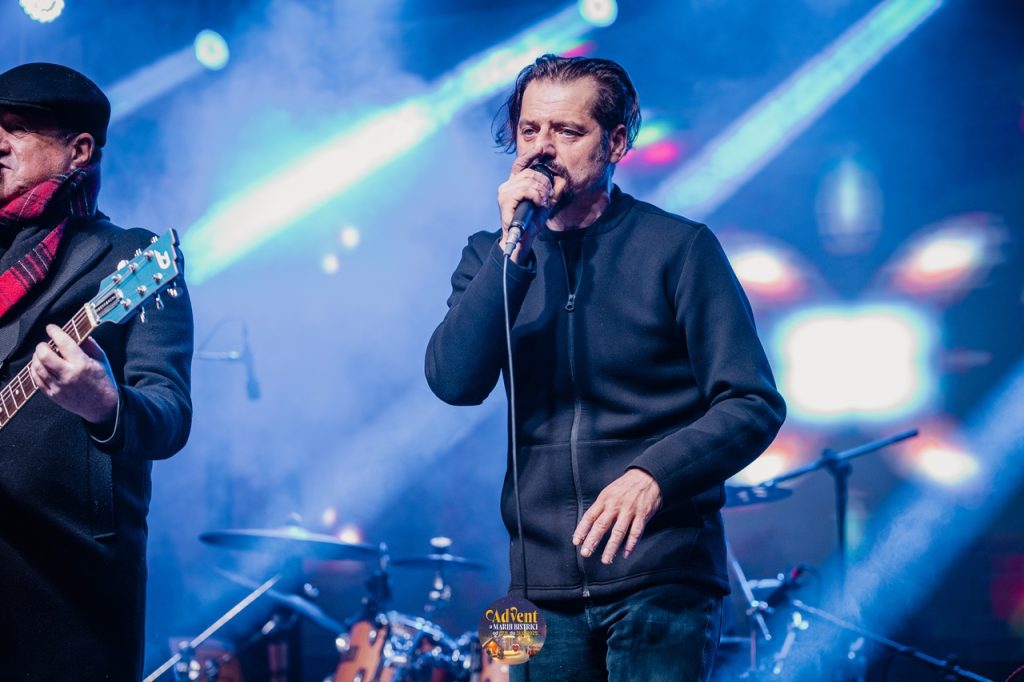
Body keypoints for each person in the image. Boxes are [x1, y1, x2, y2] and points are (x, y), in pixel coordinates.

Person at [425, 55, 785, 681]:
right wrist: (514, 252)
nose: (542, 149)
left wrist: (655, 475)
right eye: (530, 130)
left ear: (616, 143)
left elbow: (751, 401)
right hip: (536, 589)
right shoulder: (491, 257)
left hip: (660, 573)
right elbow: (453, 382)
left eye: (567, 131)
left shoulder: (678, 249)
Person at [0, 62, 193, 679]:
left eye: (17, 127)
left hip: (65, 587)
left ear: (78, 149)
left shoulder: (132, 258)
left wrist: (105, 403)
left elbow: (170, 414)